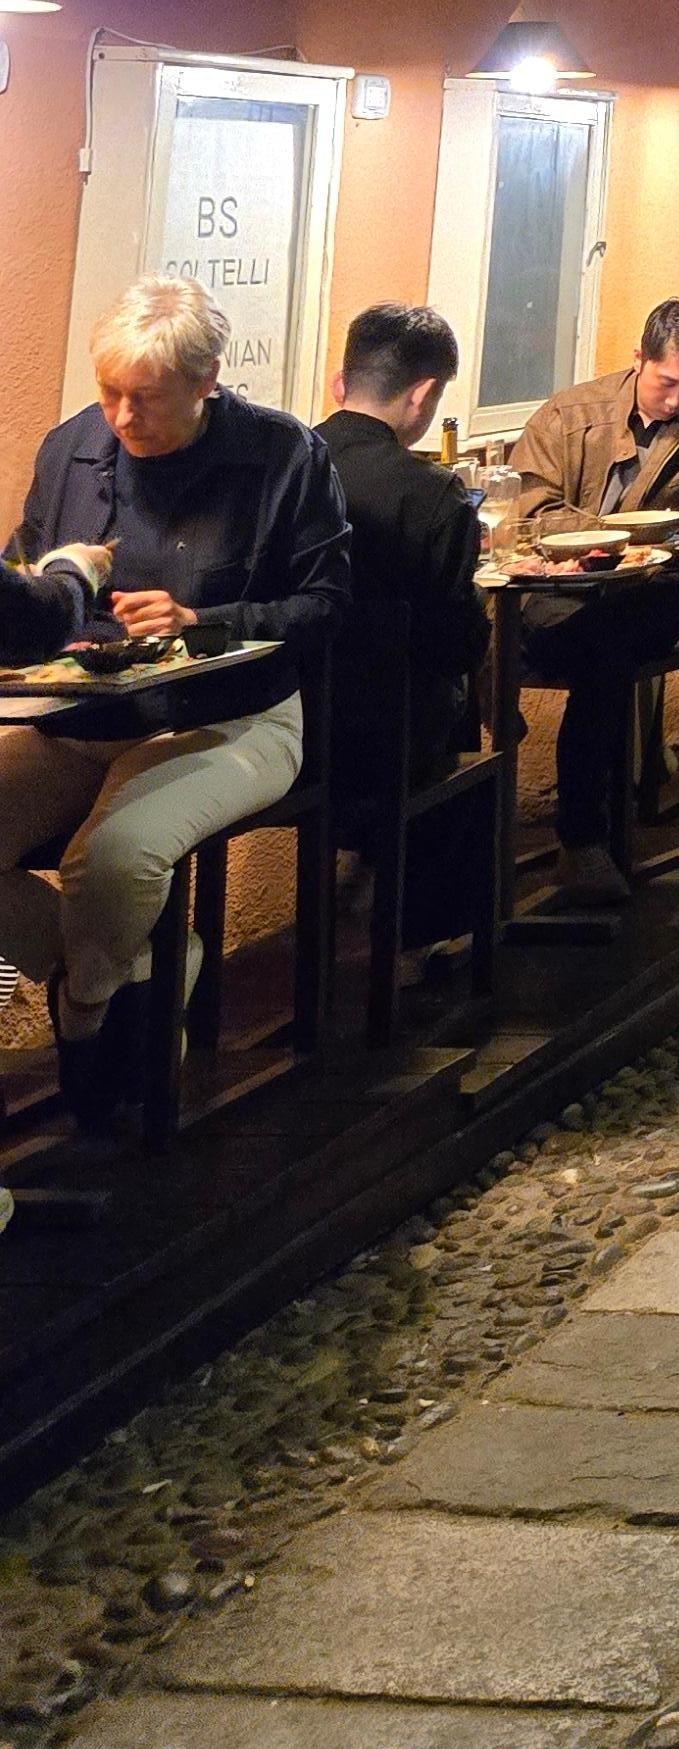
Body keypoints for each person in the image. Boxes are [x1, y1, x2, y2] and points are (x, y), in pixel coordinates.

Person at [0, 278, 351, 1127]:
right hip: (78, 718)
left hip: (235, 715)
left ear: (207, 382)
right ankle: (136, 963)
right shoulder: (71, 447)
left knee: (116, 856)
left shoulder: (283, 455)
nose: (121, 417)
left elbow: (327, 605)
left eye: (146, 399)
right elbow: (25, 578)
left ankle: (86, 1006)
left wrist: (202, 620)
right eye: (108, 391)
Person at [509, 300, 679, 898]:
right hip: (564, 585)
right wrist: (597, 543)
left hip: (658, 588)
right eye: (666, 383)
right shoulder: (568, 415)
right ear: (638, 358)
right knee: (592, 647)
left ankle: (583, 840)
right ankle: (548, 842)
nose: (677, 400)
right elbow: (531, 510)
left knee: (612, 636)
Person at [318, 301, 491, 951]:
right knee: (454, 689)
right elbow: (453, 638)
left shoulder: (280, 467)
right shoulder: (431, 491)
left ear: (341, 383)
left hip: (276, 731)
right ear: (422, 395)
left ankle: (371, 870)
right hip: (380, 743)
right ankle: (430, 933)